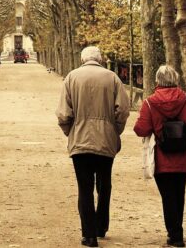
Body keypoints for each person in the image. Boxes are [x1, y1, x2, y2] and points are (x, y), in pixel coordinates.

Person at [56, 46, 130, 247]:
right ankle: (101, 226)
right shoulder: (112, 78)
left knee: (85, 188)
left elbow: (63, 113)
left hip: (80, 140)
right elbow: (123, 110)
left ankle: (89, 235)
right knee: (104, 184)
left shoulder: (71, 77)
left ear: (82, 59)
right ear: (100, 59)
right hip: (106, 140)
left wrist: (70, 131)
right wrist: (114, 131)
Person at [134, 65, 186, 247]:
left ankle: (175, 235)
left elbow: (141, 130)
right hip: (184, 156)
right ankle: (177, 232)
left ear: (157, 81)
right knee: (179, 194)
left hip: (162, 157)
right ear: (176, 80)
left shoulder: (150, 102)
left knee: (167, 196)